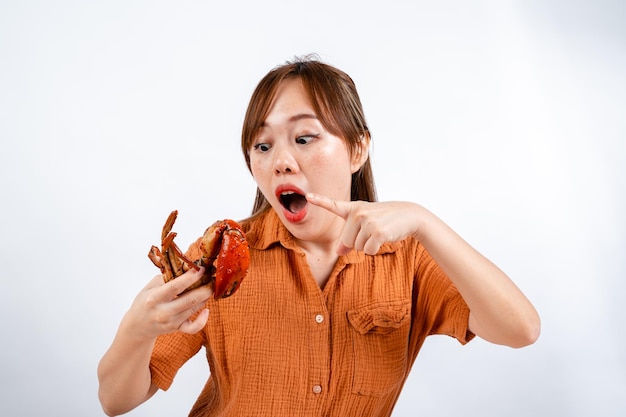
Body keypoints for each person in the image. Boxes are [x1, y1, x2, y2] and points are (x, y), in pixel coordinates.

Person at [97, 55, 540, 417]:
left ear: (358, 148)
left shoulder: (409, 260)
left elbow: (521, 329)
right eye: (263, 145)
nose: (281, 162)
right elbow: (116, 401)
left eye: (305, 138)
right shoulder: (220, 255)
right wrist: (137, 328)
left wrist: (425, 220)